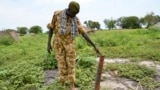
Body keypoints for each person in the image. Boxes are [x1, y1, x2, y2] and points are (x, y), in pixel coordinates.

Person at [47, 1, 101, 90]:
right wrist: (48, 43)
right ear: (68, 10)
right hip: (58, 44)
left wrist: (94, 45)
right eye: (73, 13)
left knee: (71, 65)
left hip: (70, 45)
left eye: (76, 14)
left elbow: (83, 33)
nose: (74, 15)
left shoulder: (75, 19)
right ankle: (63, 84)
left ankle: (72, 85)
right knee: (61, 64)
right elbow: (51, 28)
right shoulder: (57, 14)